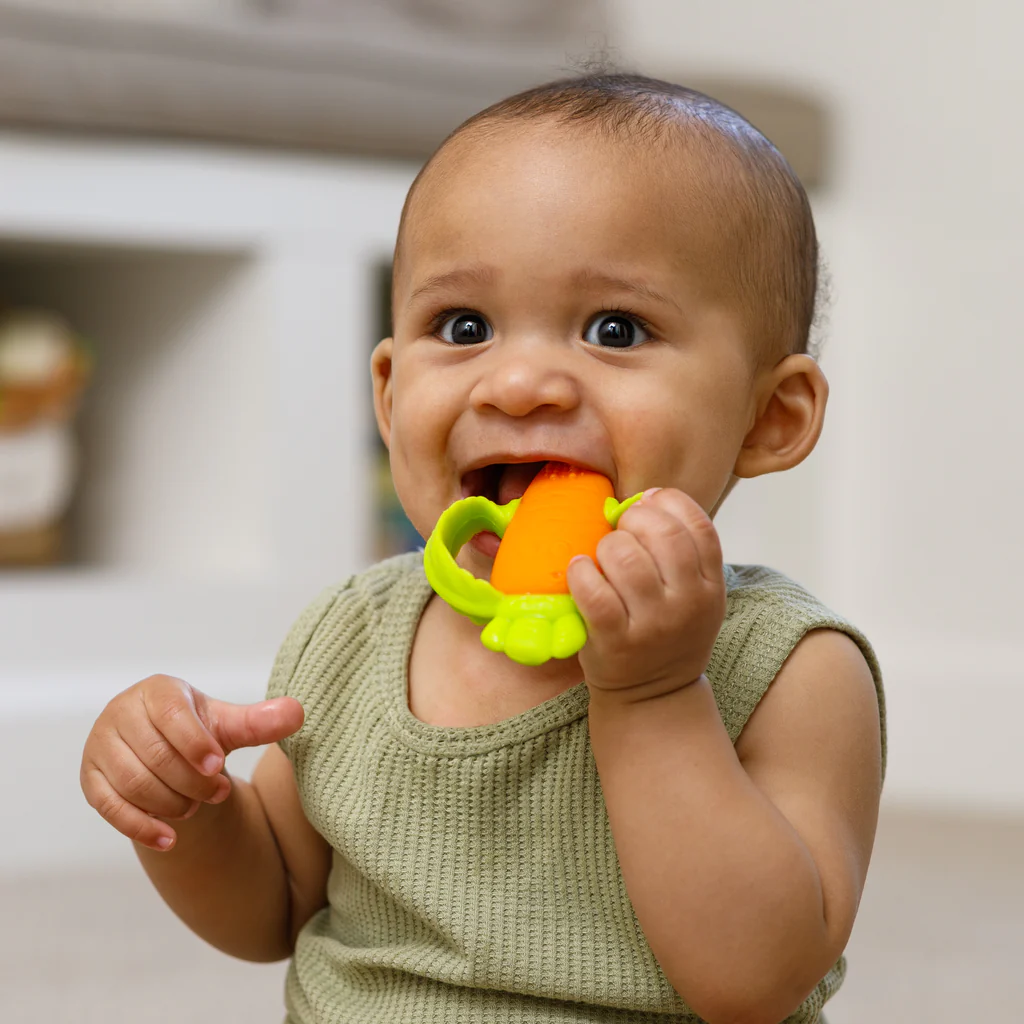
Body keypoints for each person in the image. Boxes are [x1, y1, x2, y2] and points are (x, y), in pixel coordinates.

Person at [80, 72, 885, 1024]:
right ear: (387, 393)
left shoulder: (791, 666)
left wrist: (656, 695)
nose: (519, 383)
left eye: (614, 330)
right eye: (464, 327)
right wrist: (194, 805)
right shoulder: (351, 636)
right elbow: (275, 908)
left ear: (770, 417)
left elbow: (752, 979)